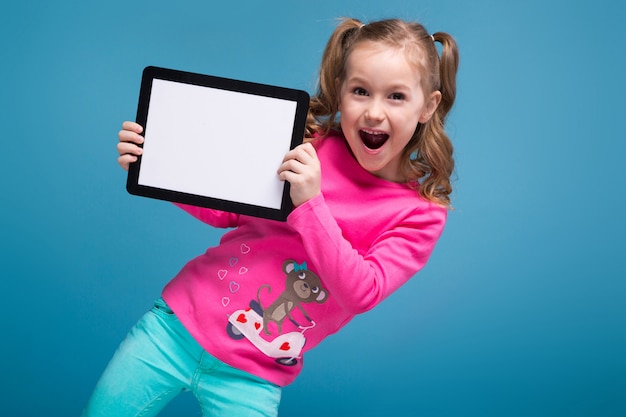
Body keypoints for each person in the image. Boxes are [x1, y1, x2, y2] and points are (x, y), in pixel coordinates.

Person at [82, 17, 459, 417]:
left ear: (428, 106)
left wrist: (311, 204)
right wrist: (150, 163)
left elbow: (361, 291)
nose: (374, 112)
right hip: (174, 330)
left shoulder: (420, 213)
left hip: (253, 376)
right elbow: (224, 210)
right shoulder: (306, 144)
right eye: (360, 91)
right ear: (341, 92)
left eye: (396, 96)